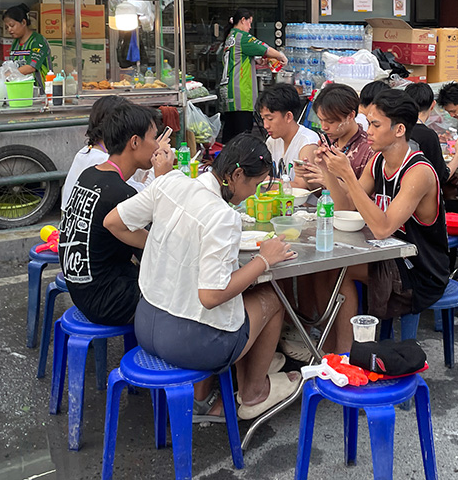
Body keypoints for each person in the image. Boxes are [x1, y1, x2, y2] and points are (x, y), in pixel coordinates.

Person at [104, 134, 301, 419]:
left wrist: (161, 246)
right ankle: (254, 392)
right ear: (236, 175)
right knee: (271, 298)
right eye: (255, 185)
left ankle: (252, 368)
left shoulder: (170, 182)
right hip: (189, 343)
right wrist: (263, 259)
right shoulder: (223, 216)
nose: (253, 194)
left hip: (146, 324)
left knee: (244, 294)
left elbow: (114, 222)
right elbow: (210, 297)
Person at [313, 89, 449, 354]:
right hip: (389, 256)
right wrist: (328, 171)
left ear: (399, 129)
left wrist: (348, 178)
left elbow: (383, 227)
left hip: (419, 270)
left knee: (338, 270)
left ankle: (346, 354)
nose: (369, 131)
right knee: (323, 268)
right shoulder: (378, 162)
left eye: (375, 124)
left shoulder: (418, 172)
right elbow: (346, 207)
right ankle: (327, 351)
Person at [60, 104, 169, 325]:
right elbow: (155, 250)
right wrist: (164, 180)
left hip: (82, 291)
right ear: (135, 142)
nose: (158, 146)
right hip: (109, 300)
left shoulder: (90, 174)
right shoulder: (121, 193)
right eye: (154, 138)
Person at [219, 8, 287, 143]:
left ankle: (226, 161)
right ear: (243, 20)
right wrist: (281, 56)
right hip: (241, 91)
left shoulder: (230, 37)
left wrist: (256, 61)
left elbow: (238, 58)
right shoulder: (241, 36)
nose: (250, 27)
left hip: (229, 90)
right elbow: (265, 48)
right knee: (243, 136)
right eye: (249, 22)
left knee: (230, 134)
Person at [404, 82, 458, 186]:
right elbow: (442, 177)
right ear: (433, 105)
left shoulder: (397, 129)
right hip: (421, 196)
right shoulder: (427, 135)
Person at [257, 83, 319, 185]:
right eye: (263, 119)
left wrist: (263, 181)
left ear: (288, 116)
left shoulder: (307, 143)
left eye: (270, 119)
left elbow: (300, 187)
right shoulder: (272, 141)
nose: (265, 125)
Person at [311, 83, 373, 179]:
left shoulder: (368, 150)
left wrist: (328, 179)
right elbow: (319, 190)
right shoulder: (326, 142)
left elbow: (361, 193)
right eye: (320, 120)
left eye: (330, 121)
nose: (324, 127)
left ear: (351, 116)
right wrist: (307, 175)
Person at [3, 3, 52, 90]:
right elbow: (12, 66)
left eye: (12, 25)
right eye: (7, 27)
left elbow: (31, 67)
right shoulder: (15, 43)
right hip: (21, 91)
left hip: (41, 92)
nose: (9, 30)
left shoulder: (38, 41)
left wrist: (4, 76)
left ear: (23, 22)